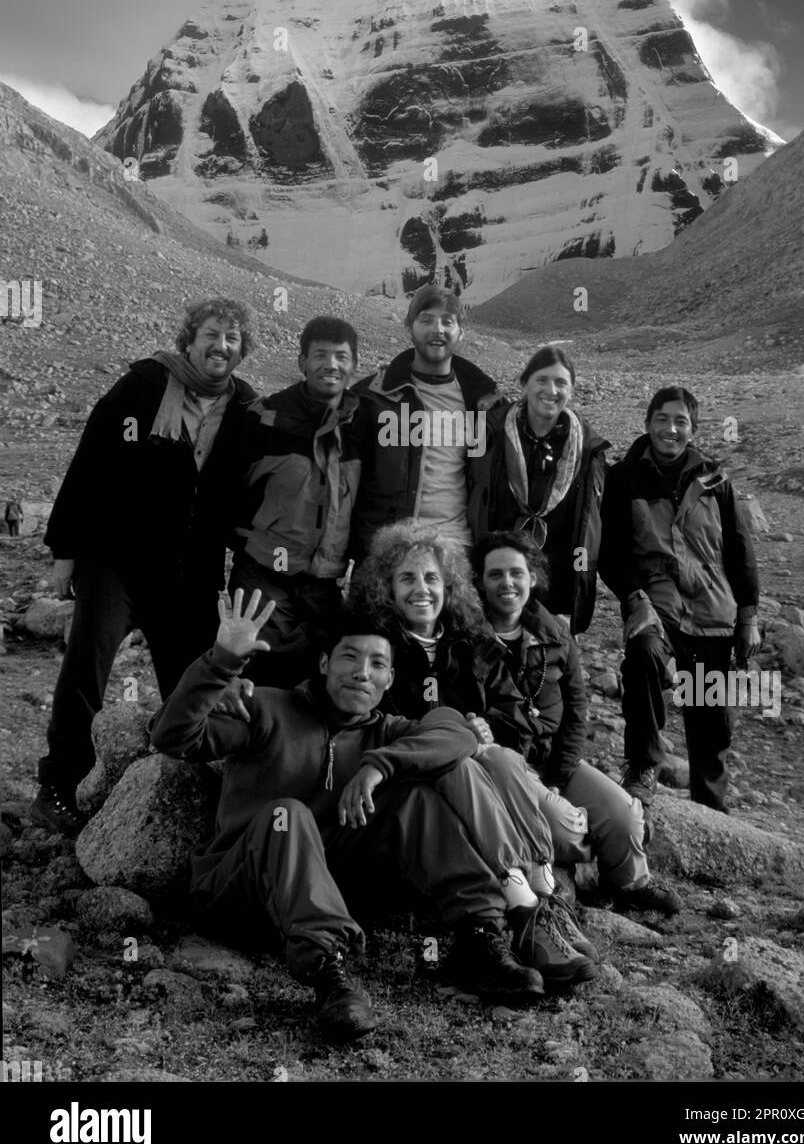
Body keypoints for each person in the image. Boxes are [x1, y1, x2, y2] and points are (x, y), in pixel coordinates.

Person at [150, 594, 559, 1040]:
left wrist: (377, 766)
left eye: (377, 664)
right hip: (242, 892)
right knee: (288, 815)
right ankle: (329, 976)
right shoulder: (265, 708)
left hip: (336, 888)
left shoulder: (388, 732)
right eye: (349, 657)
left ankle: (479, 935)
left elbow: (455, 732)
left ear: (388, 679)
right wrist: (222, 663)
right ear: (324, 663)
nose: (362, 671)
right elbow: (173, 737)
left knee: (415, 799)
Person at [32, 299, 258, 836]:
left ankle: (187, 787)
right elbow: (90, 463)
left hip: (188, 572)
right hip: (115, 561)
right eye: (211, 334)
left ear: (242, 350)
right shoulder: (142, 387)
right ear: (189, 339)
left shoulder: (247, 409)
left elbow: (247, 494)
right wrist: (65, 554)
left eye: (231, 339)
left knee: (190, 683)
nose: (220, 346)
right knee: (87, 671)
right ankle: (58, 785)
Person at [349, 521, 607, 977]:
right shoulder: (375, 644)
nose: (421, 590)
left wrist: (488, 727)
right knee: (455, 756)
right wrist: (452, 733)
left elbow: (514, 716)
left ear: (448, 585)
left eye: (431, 579)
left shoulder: (469, 642)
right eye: (406, 579)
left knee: (501, 756)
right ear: (386, 587)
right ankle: (525, 906)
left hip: (484, 772)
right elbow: (372, 720)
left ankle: (543, 891)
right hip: (412, 779)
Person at [471, 531, 680, 915]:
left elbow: (576, 706)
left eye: (516, 573)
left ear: (532, 577)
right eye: (495, 574)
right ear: (481, 581)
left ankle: (630, 884)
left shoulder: (554, 632)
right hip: (506, 768)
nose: (507, 583)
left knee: (624, 814)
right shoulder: (467, 639)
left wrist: (561, 772)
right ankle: (573, 865)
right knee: (566, 829)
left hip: (554, 758)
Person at [599, 386, 761, 820]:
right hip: (658, 606)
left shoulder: (715, 478)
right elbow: (611, 553)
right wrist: (635, 600)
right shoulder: (623, 477)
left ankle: (710, 805)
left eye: (681, 422)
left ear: (693, 428)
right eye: (662, 420)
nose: (670, 430)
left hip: (713, 613)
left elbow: (741, 548)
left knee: (711, 715)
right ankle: (644, 767)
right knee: (644, 655)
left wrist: (748, 615)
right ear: (648, 423)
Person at [229, 316, 364, 684]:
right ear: (302, 362)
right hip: (264, 572)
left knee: (320, 676)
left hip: (323, 579)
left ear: (353, 365)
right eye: (320, 355)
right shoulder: (264, 418)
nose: (331, 365)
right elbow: (227, 489)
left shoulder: (361, 426)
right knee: (260, 672)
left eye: (341, 356)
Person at [350, 284, 505, 558]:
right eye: (426, 320)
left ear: (461, 332)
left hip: (457, 549)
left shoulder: (485, 403)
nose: (438, 330)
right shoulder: (372, 396)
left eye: (448, 322)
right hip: (392, 549)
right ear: (409, 327)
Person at [467, 346, 610, 633]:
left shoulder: (587, 448)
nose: (551, 390)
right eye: (542, 380)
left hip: (556, 577)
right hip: (497, 573)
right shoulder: (490, 433)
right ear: (525, 384)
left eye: (561, 383)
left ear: (571, 390)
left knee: (546, 663)